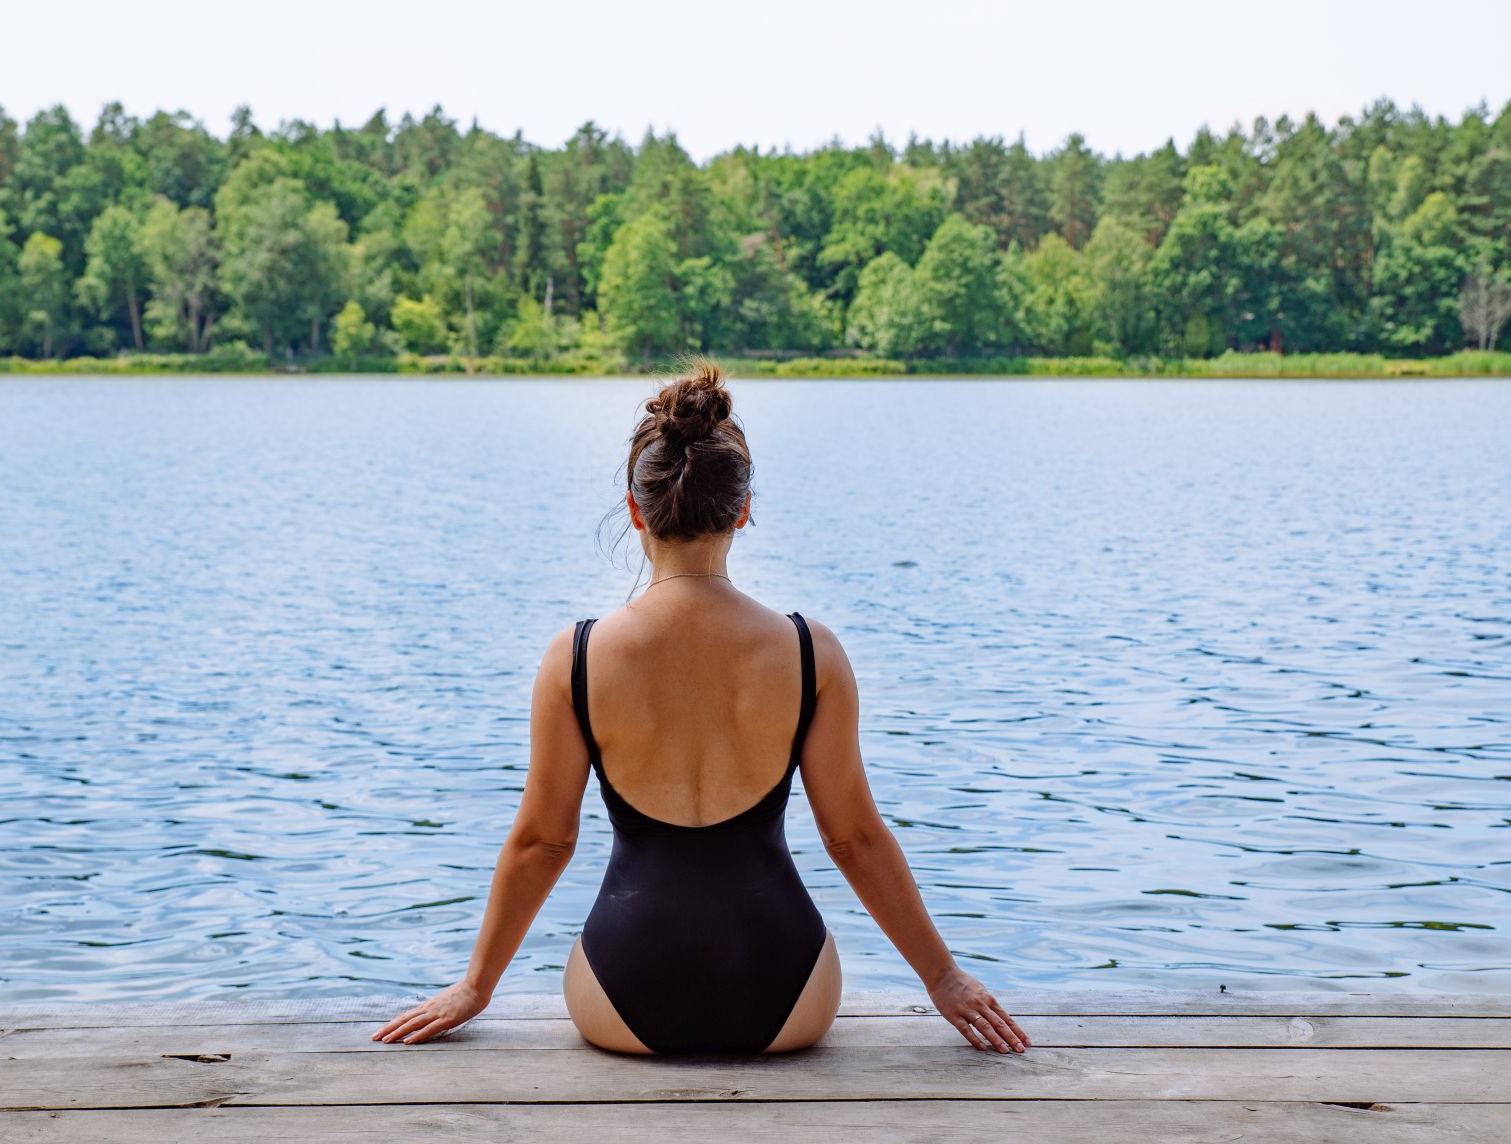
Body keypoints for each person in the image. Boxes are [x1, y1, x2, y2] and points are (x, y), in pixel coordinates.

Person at [372, 359, 1027, 1056]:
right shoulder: (811, 652)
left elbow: (544, 842)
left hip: (619, 998)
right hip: (790, 996)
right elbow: (854, 839)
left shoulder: (577, 656)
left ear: (635, 510)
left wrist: (475, 986)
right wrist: (943, 976)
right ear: (743, 509)